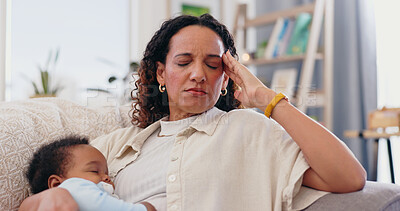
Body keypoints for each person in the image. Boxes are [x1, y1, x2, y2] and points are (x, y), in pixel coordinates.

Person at [19, 14, 366, 211]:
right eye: (183, 62)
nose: (198, 74)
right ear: (160, 74)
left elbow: (348, 178)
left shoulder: (248, 129)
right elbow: (57, 190)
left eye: (213, 65)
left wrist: (266, 99)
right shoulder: (117, 145)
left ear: (226, 76)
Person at [21, 137, 155, 211]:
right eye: (94, 171)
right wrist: (145, 208)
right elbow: (102, 205)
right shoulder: (71, 188)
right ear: (56, 184)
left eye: (106, 172)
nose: (106, 177)